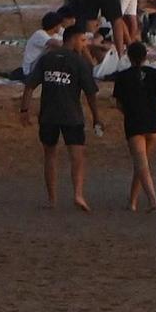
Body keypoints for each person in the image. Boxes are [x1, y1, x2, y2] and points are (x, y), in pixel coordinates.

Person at [20, 24, 103, 211]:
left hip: (48, 115)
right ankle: (78, 194)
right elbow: (91, 94)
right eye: (82, 40)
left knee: (50, 155)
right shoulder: (80, 63)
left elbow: (29, 86)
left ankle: (52, 199)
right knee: (77, 156)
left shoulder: (46, 59)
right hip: (71, 116)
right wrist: (97, 117)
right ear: (72, 39)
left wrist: (24, 110)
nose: (84, 45)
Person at [108, 41, 156, 212]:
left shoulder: (122, 77)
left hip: (134, 123)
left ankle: (153, 200)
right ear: (146, 56)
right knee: (141, 163)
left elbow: (119, 104)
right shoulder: (155, 73)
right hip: (152, 122)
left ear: (129, 57)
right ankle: (133, 201)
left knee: (141, 164)